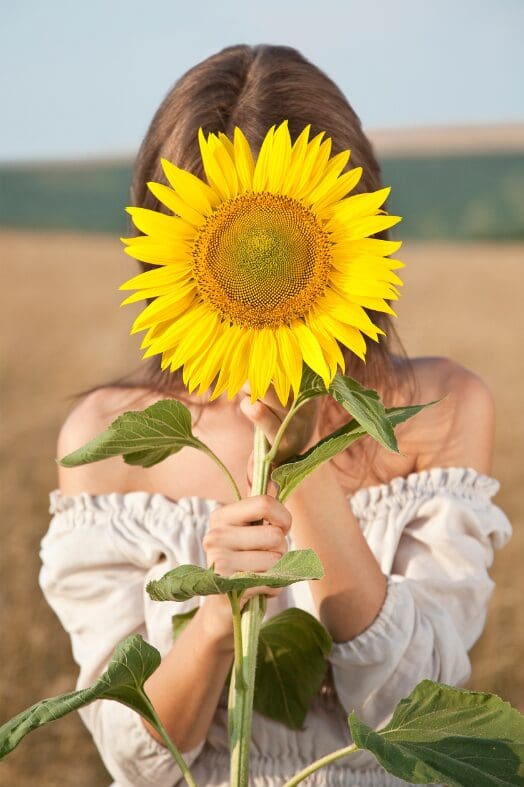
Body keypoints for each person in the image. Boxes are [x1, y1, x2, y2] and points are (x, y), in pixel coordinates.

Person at [39, 44, 511, 787]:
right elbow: (136, 759)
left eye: (292, 233)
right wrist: (218, 619)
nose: (258, 258)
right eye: (218, 236)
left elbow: (410, 715)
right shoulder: (109, 443)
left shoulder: (442, 412)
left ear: (355, 233)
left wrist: (303, 461)